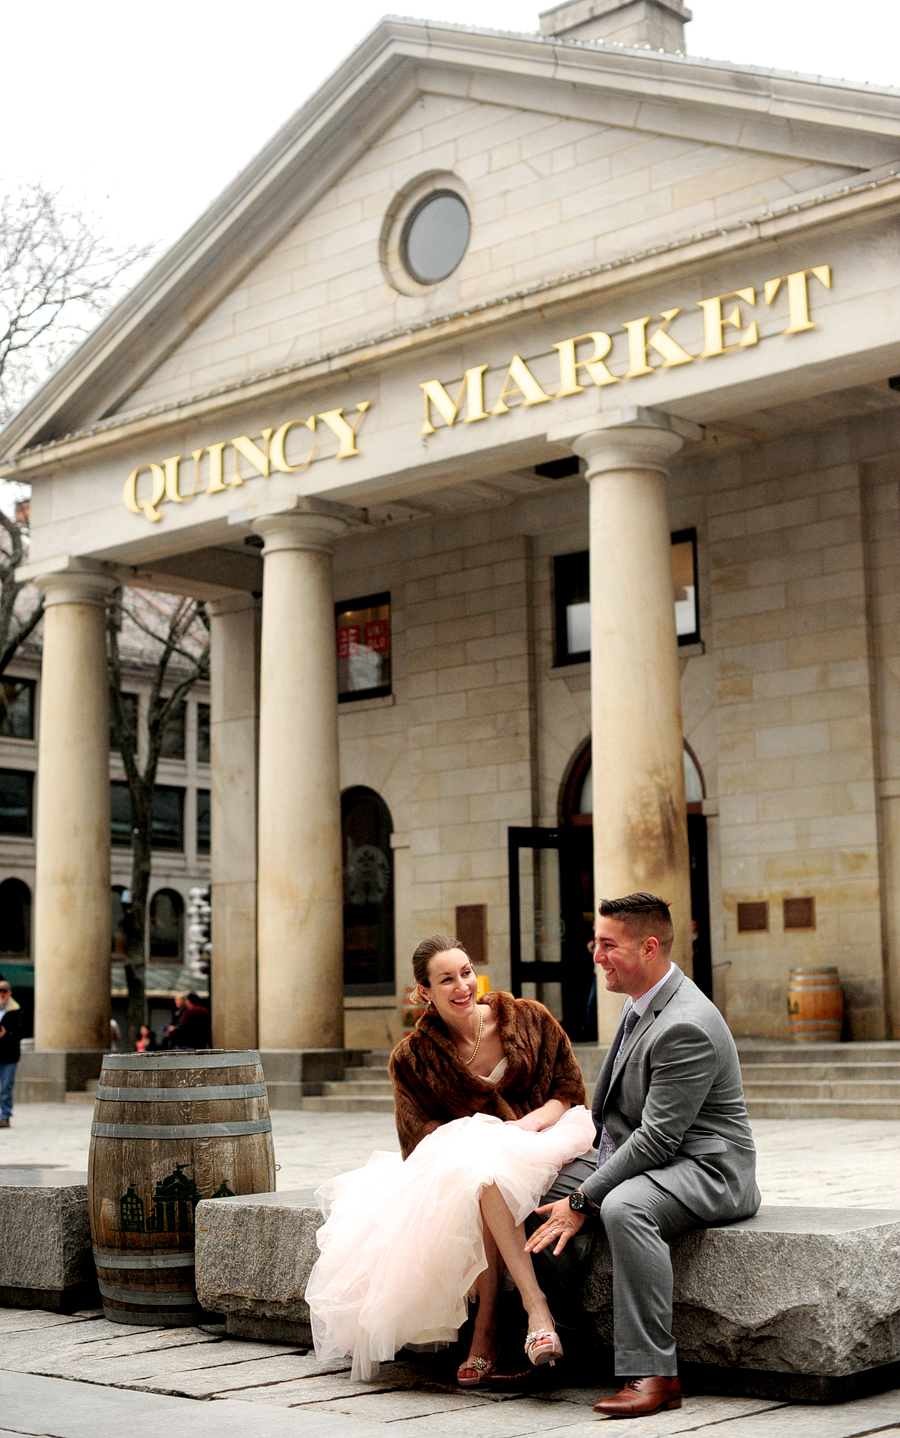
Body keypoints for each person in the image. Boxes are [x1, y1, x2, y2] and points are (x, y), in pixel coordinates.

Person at [306, 934, 593, 1383]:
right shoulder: (412, 1058)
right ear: (424, 992)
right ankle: (530, 1313)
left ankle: (490, 1327)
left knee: (484, 1169)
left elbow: (568, 1092)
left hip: (548, 1141)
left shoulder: (528, 1018)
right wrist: (481, 1136)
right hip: (470, 1166)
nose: (462, 987)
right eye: (446, 980)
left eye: (466, 973)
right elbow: (418, 1140)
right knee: (481, 1174)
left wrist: (525, 1126)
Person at [517, 893, 760, 1419]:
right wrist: (568, 1182)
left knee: (626, 1206)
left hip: (709, 1167)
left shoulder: (684, 1024)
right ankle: (571, 1344)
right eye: (594, 943)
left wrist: (582, 1198)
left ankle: (655, 1373)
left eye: (608, 945)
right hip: (649, 1154)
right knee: (530, 1191)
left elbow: (657, 1140)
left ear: (649, 947)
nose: (597, 955)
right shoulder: (641, 1003)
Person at [0, 980, 22, 1128]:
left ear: (9, 993)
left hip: (9, 1055)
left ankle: (5, 1116)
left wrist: (6, 1034)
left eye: (4, 991)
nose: (2, 994)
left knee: (6, 1087)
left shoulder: (16, 1010)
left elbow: (22, 1032)